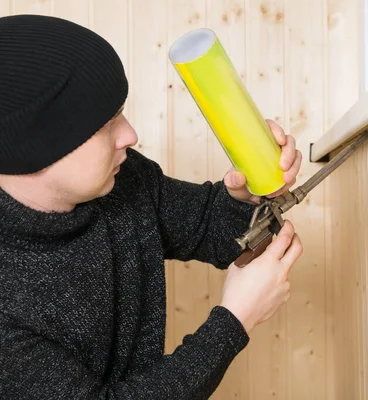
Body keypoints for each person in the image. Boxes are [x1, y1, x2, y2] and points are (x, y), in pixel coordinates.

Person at [0, 14, 303, 399]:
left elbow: (210, 228)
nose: (130, 135)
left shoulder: (120, 180)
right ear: (36, 150)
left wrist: (252, 192)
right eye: (104, 125)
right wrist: (234, 322)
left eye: (120, 113)